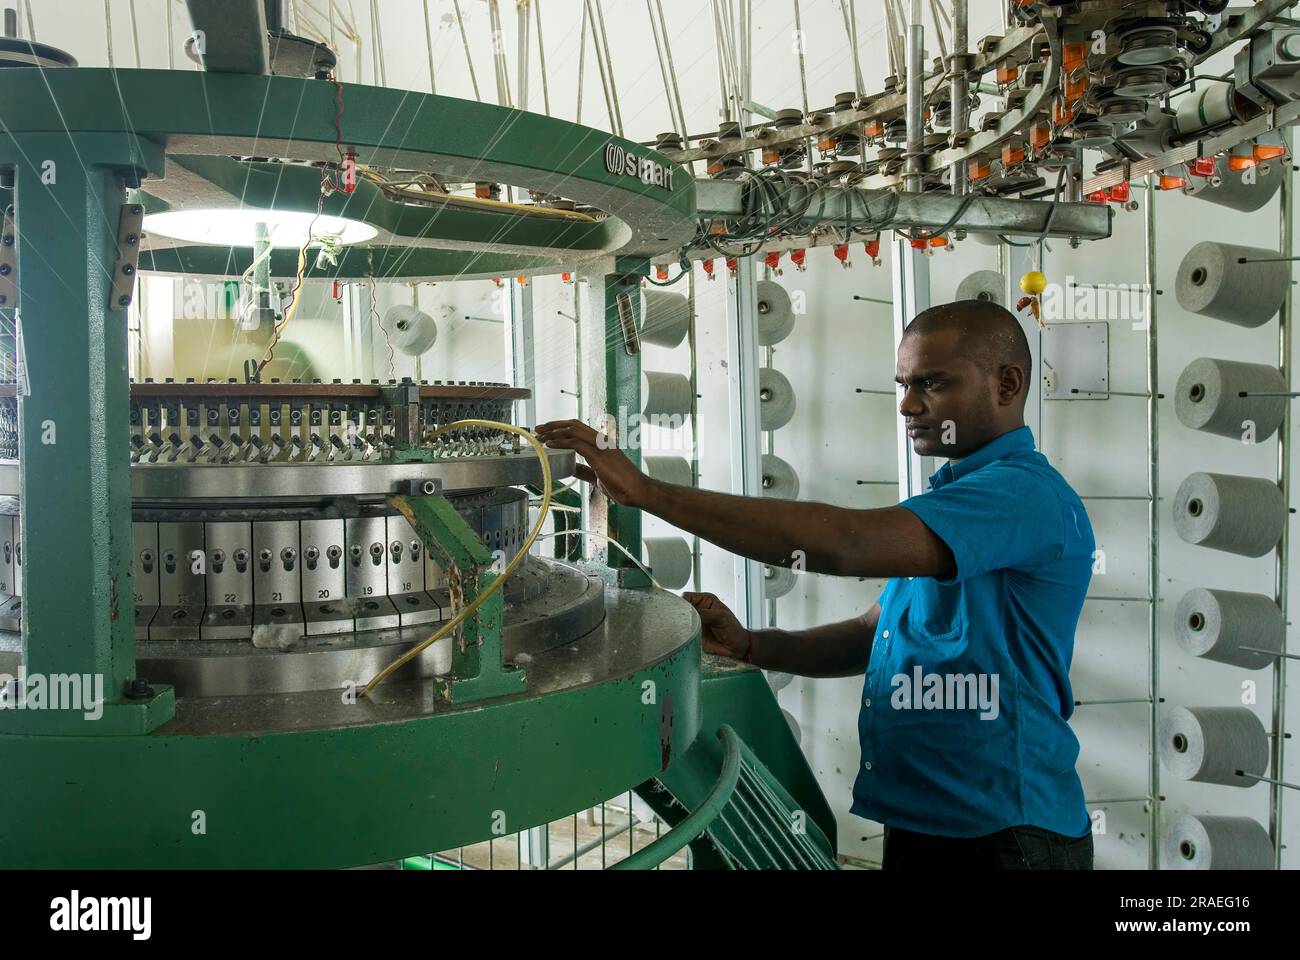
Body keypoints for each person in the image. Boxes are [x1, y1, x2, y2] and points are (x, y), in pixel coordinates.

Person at [535, 298, 1096, 870]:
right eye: (902, 384)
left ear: (1007, 384)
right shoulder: (954, 500)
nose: (907, 404)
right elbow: (869, 634)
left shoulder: (1023, 495)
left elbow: (846, 543)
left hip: (1007, 836)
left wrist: (650, 493)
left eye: (932, 383)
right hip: (930, 821)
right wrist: (751, 644)